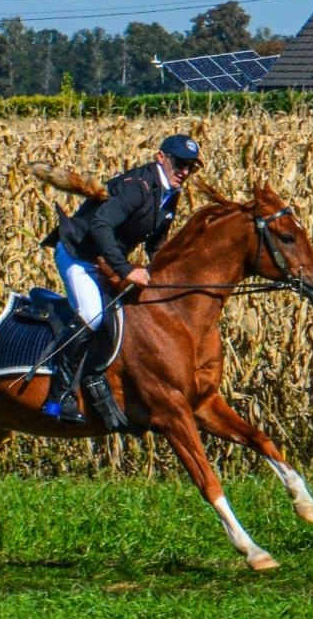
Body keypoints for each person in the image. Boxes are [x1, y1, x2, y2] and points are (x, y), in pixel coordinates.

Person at [38, 133, 202, 423]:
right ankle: (58, 397)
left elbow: (156, 244)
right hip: (78, 254)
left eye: (192, 167)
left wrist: (174, 277)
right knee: (92, 315)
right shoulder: (135, 187)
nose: (185, 172)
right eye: (180, 163)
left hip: (106, 260)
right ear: (160, 158)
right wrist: (126, 270)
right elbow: (101, 225)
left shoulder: (169, 194)